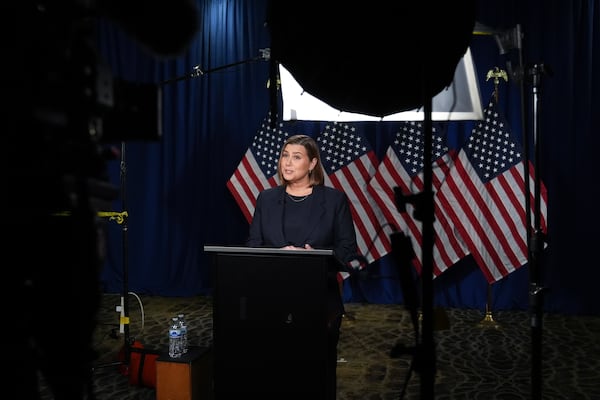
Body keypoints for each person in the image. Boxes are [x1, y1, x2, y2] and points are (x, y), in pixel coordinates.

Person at [246, 134, 359, 399]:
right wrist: (279, 253)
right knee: (276, 374)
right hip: (272, 301)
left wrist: (316, 256)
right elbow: (253, 244)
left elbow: (347, 250)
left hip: (320, 303)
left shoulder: (333, 201)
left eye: (296, 157)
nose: (287, 162)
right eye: (285, 155)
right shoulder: (266, 198)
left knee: (317, 377)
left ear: (312, 164)